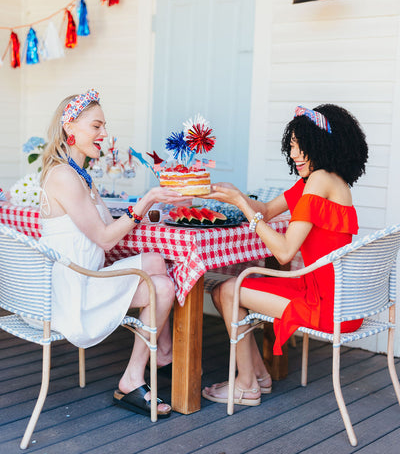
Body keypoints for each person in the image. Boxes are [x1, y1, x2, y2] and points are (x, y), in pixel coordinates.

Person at [201, 104, 368, 406]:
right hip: (327, 293)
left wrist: (240, 204)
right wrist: (234, 192)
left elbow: (284, 252)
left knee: (227, 291)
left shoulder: (318, 182)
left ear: (320, 144)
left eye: (299, 146)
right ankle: (258, 376)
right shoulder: (322, 180)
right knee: (225, 289)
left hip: (328, 306)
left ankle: (247, 384)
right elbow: (265, 210)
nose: (293, 154)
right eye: (291, 147)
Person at [40, 89, 184, 419]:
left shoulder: (79, 174)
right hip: (76, 290)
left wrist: (155, 207)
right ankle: (133, 378)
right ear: (70, 129)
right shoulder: (63, 176)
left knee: (156, 261)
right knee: (162, 287)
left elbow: (110, 223)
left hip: (85, 275)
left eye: (103, 126)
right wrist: (145, 200)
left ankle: (161, 351)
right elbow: (106, 240)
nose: (104, 134)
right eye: (96, 126)